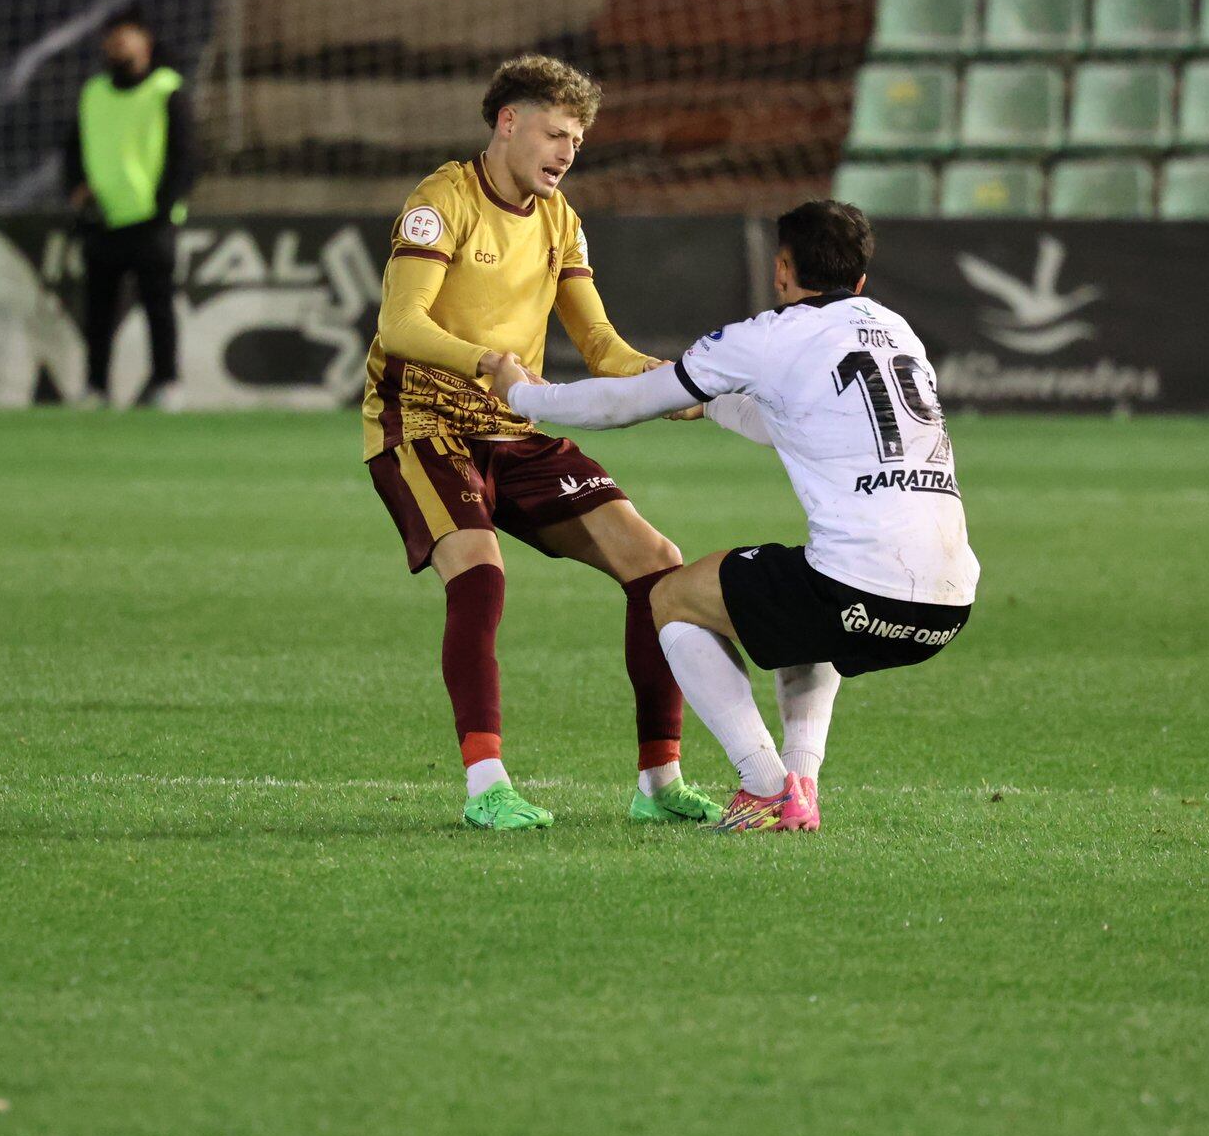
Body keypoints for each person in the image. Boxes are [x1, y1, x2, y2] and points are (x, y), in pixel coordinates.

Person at [487, 199, 981, 833]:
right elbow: (802, 424)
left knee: (670, 597)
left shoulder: (772, 336)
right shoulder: (898, 332)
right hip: (947, 605)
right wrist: (712, 407)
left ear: (781, 270)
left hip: (861, 590)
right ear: (860, 279)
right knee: (801, 600)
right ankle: (801, 784)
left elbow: (626, 401)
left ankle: (765, 784)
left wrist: (522, 394)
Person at [362, 53, 721, 832]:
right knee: (481, 575)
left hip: (512, 429)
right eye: (556, 133)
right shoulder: (442, 200)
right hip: (422, 427)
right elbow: (399, 324)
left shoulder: (561, 222)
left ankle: (658, 783)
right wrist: (483, 361)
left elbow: (601, 346)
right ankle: (486, 785)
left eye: (578, 142)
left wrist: (673, 382)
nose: (566, 152)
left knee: (657, 565)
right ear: (509, 123)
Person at [64, 7, 195, 408]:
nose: (118, 43)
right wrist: (75, 189)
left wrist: (164, 204)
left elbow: (185, 155)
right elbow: (72, 148)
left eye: (127, 34)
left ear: (146, 40)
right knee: (98, 310)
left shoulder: (167, 89)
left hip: (151, 220)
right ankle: (96, 387)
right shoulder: (93, 92)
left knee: (158, 306)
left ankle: (166, 383)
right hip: (103, 217)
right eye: (113, 35)